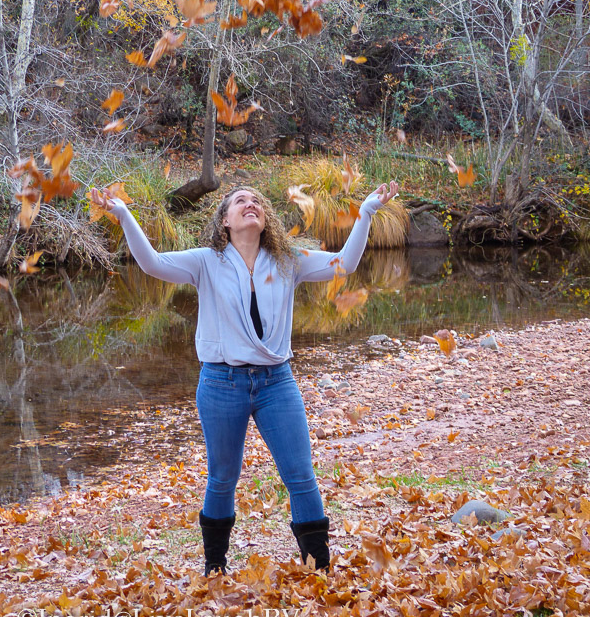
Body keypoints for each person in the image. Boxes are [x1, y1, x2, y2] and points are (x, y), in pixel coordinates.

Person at [89, 180, 399, 575]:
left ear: (264, 217)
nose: (250, 204)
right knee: (222, 479)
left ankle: (319, 569)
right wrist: (123, 214)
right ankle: (215, 568)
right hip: (221, 384)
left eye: (256, 200)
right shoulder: (204, 261)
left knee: (301, 476)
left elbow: (346, 263)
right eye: (240, 201)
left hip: (277, 384)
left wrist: (368, 210)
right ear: (225, 222)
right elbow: (150, 263)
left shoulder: (289, 260)